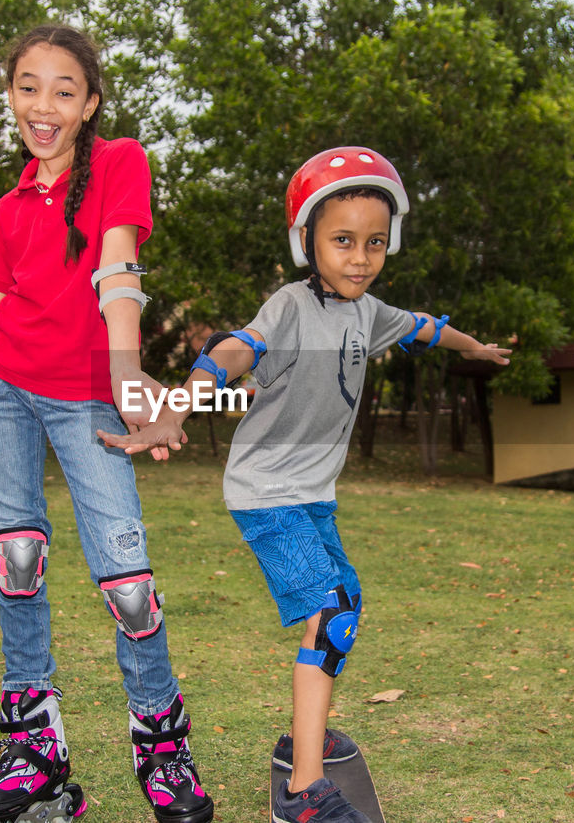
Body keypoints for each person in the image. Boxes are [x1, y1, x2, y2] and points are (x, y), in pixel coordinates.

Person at [98, 146, 512, 823]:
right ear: (308, 240)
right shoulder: (291, 306)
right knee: (331, 611)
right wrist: (179, 403)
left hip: (312, 496)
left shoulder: (367, 312)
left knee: (342, 616)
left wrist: (475, 347)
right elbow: (235, 348)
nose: (359, 256)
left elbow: (425, 329)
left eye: (375, 242)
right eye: (342, 240)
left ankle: (304, 743)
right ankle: (303, 793)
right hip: (267, 493)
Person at [0, 24, 212, 823]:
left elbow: (118, 269)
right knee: (17, 559)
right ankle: (35, 746)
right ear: (11, 95)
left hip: (87, 396)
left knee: (128, 584)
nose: (44, 105)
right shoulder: (8, 208)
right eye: (29, 86)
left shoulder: (119, 162)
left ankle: (163, 744)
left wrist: (128, 380)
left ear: (90, 104)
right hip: (5, 393)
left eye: (64, 90)